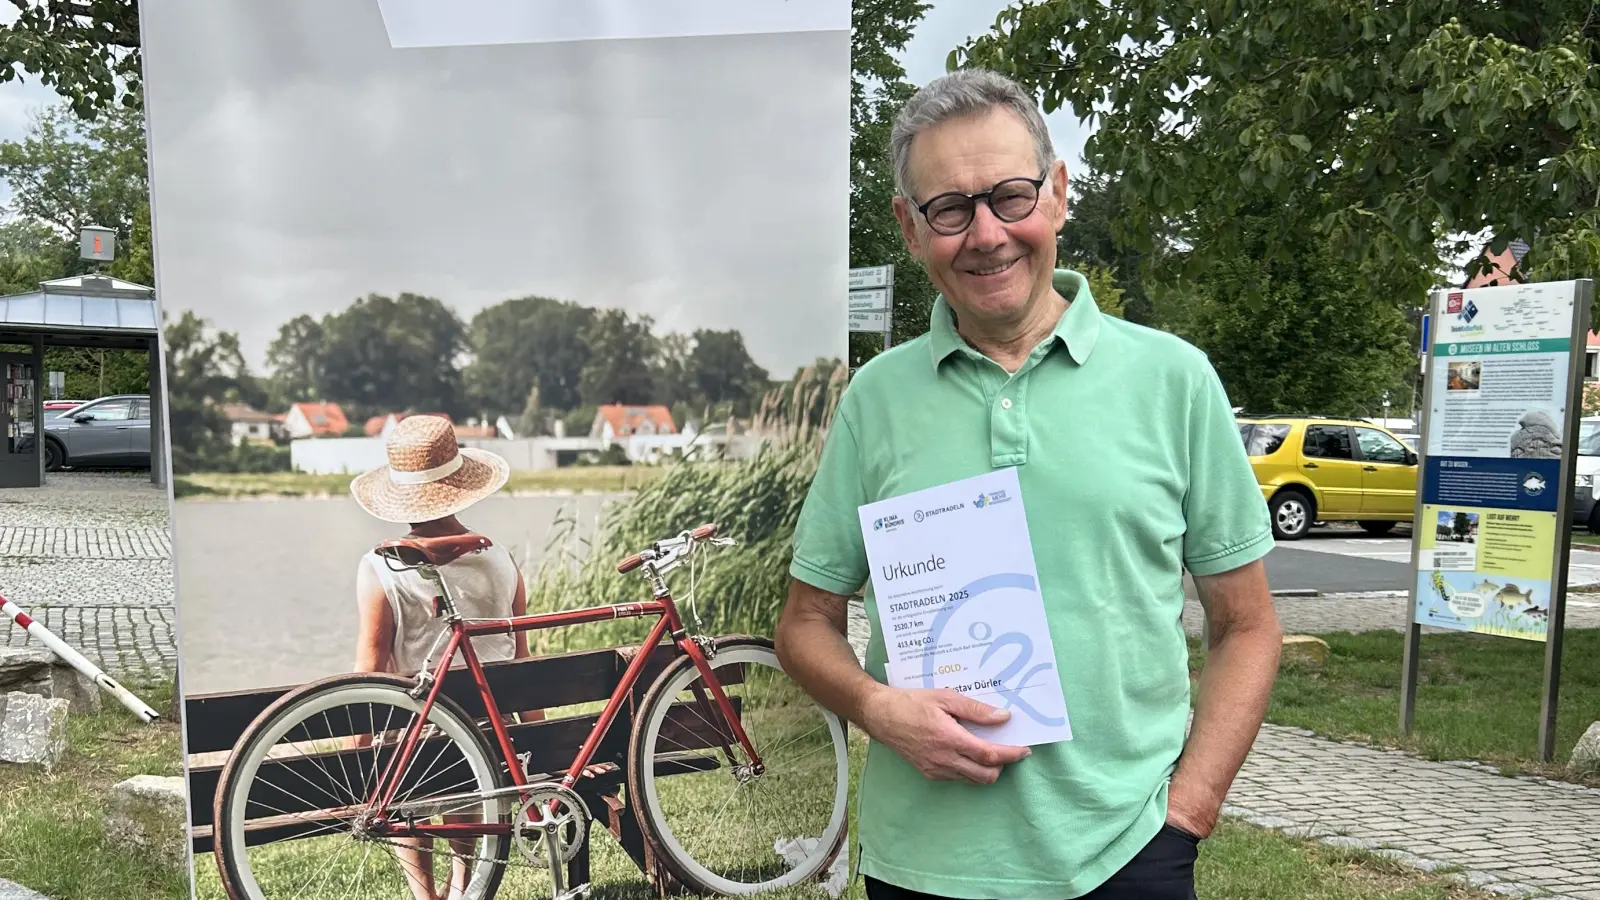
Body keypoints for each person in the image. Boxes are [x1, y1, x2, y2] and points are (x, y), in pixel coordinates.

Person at [775, 68, 1283, 900]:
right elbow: (805, 623)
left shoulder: (1174, 380)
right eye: (949, 208)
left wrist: (1189, 811)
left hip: (1127, 855)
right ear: (909, 226)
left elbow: (1248, 627)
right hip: (925, 864)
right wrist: (875, 707)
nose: (985, 234)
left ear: (1057, 194)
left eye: (1009, 196)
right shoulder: (876, 398)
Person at [349, 413, 526, 900]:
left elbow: (369, 672)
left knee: (409, 745)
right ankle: (465, 879)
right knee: (464, 739)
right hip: (491, 743)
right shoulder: (502, 559)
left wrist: (357, 751)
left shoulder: (380, 569)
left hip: (416, 747)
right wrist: (541, 740)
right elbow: (524, 665)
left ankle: (425, 894)